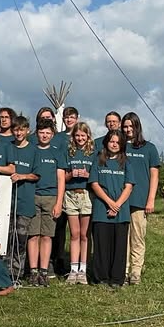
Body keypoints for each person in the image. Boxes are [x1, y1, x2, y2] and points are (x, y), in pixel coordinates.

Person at [88, 130, 134, 288]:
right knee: (102, 245)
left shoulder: (126, 162)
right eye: (111, 141)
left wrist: (117, 205)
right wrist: (109, 202)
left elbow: (129, 186)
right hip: (102, 209)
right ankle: (101, 277)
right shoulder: (98, 160)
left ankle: (116, 278)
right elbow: (94, 184)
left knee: (119, 246)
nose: (114, 144)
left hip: (121, 211)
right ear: (106, 142)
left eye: (117, 142)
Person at [26, 118, 66, 287]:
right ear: (37, 133)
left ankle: (44, 271)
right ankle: (33, 271)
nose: (44, 135)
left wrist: (59, 202)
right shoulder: (31, 150)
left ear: (52, 134)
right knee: (33, 235)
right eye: (41, 132)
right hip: (33, 195)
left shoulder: (57, 153)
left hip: (51, 197)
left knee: (47, 236)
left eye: (47, 133)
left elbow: (61, 179)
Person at [122, 111, 160, 286]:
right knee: (123, 239)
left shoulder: (149, 148)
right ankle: (123, 270)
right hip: (121, 200)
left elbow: (154, 175)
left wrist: (150, 199)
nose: (128, 129)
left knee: (137, 238)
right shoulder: (120, 146)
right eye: (125, 126)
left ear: (137, 126)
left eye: (131, 126)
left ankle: (135, 272)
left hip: (140, 200)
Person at [64, 122, 97, 285]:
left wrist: (87, 175)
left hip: (86, 195)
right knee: (74, 234)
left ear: (88, 136)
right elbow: (62, 177)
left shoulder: (93, 153)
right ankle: (73, 269)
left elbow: (97, 175)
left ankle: (83, 269)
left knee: (85, 235)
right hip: (70, 194)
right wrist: (72, 174)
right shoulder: (69, 152)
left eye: (83, 135)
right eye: (77, 135)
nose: (80, 138)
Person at [5, 116, 37, 283]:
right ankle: (5, 272)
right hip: (7, 201)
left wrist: (22, 176)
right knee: (7, 239)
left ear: (27, 130)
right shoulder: (8, 147)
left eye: (21, 130)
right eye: (16, 130)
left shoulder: (34, 150)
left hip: (25, 201)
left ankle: (17, 273)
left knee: (21, 239)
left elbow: (36, 175)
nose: (18, 133)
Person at [50, 106, 79, 277]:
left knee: (76, 231)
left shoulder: (81, 136)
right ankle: (57, 260)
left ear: (77, 118)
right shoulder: (58, 137)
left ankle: (76, 263)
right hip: (61, 187)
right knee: (59, 228)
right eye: (67, 117)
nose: (69, 120)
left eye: (72, 117)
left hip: (77, 188)